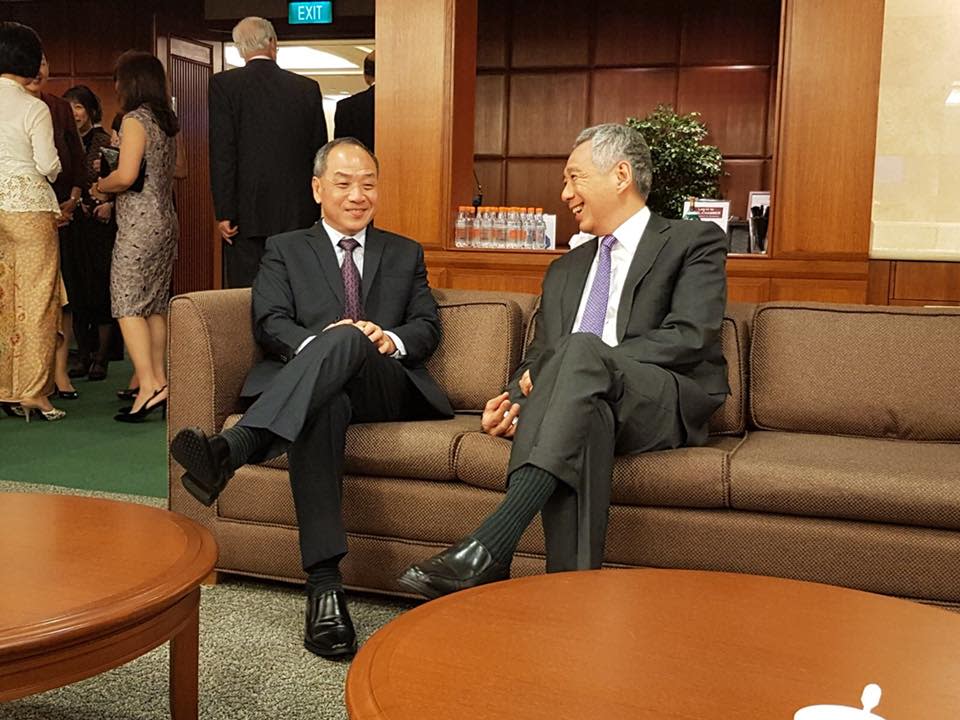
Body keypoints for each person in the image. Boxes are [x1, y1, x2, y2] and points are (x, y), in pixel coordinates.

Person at [398, 123, 730, 598]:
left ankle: (495, 540)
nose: (565, 193)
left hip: (659, 398)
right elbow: (539, 357)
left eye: (575, 178)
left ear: (620, 175)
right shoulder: (565, 269)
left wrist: (586, 362)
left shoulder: (692, 241)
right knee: (585, 413)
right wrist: (513, 401)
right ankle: (568, 601)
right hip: (586, 400)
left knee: (580, 349)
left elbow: (691, 335)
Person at [171, 138, 453, 658]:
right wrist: (322, 347)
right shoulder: (286, 247)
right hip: (316, 391)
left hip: (383, 385)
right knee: (325, 400)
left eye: (368, 184)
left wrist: (386, 340)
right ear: (318, 188)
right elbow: (271, 320)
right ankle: (325, 585)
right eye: (344, 184)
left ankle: (239, 444)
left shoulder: (404, 252)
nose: (357, 195)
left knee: (349, 337)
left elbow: (426, 327)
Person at [91, 50, 178, 423]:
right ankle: (159, 382)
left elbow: (125, 177)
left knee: (126, 304)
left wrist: (101, 186)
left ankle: (149, 383)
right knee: (155, 304)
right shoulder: (167, 123)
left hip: (139, 222)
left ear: (129, 83)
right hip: (165, 218)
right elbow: (181, 169)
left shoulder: (134, 121)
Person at [209, 16, 328, 288]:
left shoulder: (224, 86)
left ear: (239, 48)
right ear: (273, 42)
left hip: (245, 212)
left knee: (248, 290)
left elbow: (223, 150)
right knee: (297, 286)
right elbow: (319, 152)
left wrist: (225, 211)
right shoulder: (306, 88)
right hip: (298, 211)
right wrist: (319, 204)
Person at [0, 22, 65, 421]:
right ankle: (34, 394)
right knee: (38, 297)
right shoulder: (32, 106)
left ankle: (4, 387)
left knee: (3, 297)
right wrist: (55, 172)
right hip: (28, 205)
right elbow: (47, 164)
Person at [25, 54, 85, 398]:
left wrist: (73, 199)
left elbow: (74, 158)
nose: (39, 70)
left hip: (63, 213)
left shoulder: (58, 107)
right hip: (21, 215)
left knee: (62, 297)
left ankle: (60, 371)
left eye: (45, 63)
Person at [64, 84, 116, 382]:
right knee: (76, 289)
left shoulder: (104, 140)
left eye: (79, 107)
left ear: (90, 110)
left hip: (98, 225)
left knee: (100, 287)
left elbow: (115, 182)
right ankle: (83, 355)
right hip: (73, 225)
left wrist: (105, 202)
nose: (75, 113)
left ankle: (101, 357)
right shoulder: (64, 141)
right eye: (69, 107)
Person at [334, 51, 374, 151]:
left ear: (366, 76)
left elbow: (343, 149)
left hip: (360, 165)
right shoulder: (411, 105)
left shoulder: (346, 107)